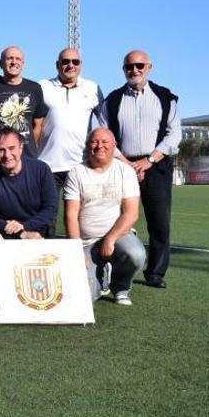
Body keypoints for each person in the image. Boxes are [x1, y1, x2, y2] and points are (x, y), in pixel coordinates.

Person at [103, 50, 181, 289]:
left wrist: (150, 160)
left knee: (159, 223)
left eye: (139, 66)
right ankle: (111, 268)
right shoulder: (113, 99)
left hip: (156, 166)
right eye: (129, 67)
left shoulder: (165, 97)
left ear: (149, 67)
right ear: (123, 69)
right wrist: (126, 163)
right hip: (122, 166)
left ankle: (155, 273)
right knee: (115, 219)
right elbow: (106, 134)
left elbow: (174, 134)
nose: (134, 70)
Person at [65, 128, 146, 305]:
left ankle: (121, 287)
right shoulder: (76, 172)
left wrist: (110, 239)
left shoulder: (126, 171)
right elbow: (71, 215)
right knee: (85, 298)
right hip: (88, 242)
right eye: (94, 142)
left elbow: (131, 213)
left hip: (119, 237)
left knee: (136, 254)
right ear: (87, 146)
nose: (99, 146)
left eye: (105, 142)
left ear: (114, 145)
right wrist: (76, 250)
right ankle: (101, 278)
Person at [38, 48, 104, 195]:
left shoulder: (93, 88)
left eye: (75, 62)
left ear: (81, 64)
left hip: (81, 164)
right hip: (48, 166)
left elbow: (105, 123)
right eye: (65, 62)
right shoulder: (42, 86)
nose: (70, 65)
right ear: (57, 64)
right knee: (48, 216)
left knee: (79, 217)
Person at [0, 129, 58, 239]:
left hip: (36, 231)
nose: (7, 155)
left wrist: (25, 226)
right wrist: (21, 233)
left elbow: (51, 208)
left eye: (11, 148)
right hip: (5, 231)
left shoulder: (41, 169)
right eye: (1, 150)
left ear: (21, 148)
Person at [0, 46, 47, 160]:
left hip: (28, 157)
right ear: (1, 63)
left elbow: (38, 124)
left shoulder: (34, 88)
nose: (14, 62)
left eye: (18, 59)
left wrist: (29, 145)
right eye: (9, 58)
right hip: (2, 157)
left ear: (23, 64)